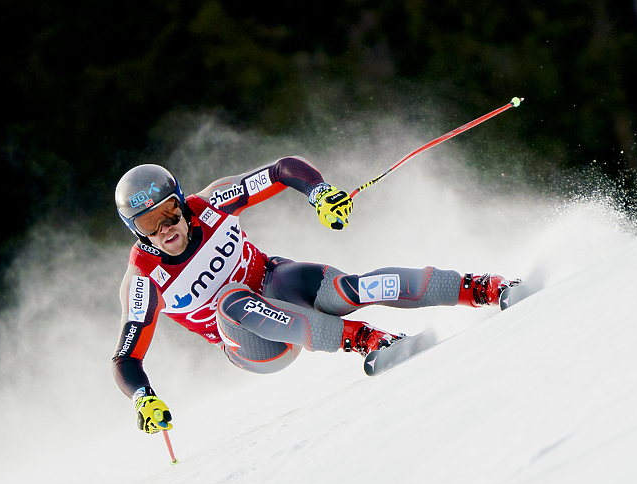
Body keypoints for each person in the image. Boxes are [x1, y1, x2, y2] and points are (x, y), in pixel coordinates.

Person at [112, 157, 513, 434]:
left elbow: (282, 170)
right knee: (232, 299)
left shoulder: (211, 204)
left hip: (279, 287)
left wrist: (319, 193)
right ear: (136, 231)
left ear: (181, 202)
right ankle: (361, 338)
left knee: (350, 289)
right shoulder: (144, 279)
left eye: (168, 213)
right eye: (149, 224)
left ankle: (479, 288)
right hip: (254, 343)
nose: (166, 229)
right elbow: (126, 356)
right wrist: (142, 398)